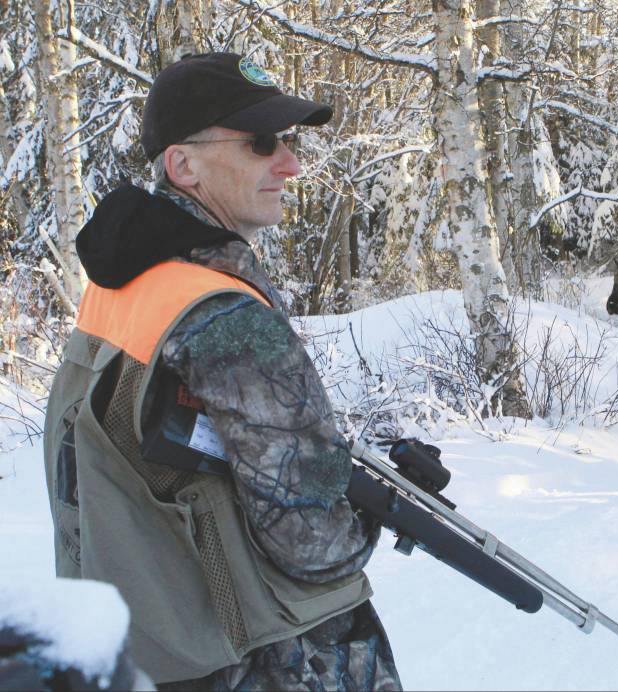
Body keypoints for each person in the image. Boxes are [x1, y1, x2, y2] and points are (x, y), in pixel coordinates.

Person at [42, 52, 401, 691]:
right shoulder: (222, 314)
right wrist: (374, 512)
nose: (290, 163)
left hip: (148, 640)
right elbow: (316, 546)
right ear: (184, 165)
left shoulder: (128, 279)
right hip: (250, 654)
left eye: (288, 142)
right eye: (262, 143)